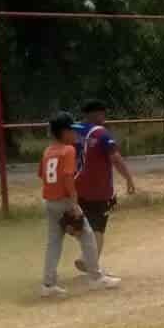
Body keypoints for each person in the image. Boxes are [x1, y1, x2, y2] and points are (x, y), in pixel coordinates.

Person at [38, 112, 120, 297]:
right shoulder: (68, 150)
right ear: (63, 132)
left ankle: (48, 285)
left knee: (53, 243)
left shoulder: (48, 151)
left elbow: (42, 176)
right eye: (71, 130)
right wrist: (74, 202)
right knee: (88, 237)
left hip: (50, 201)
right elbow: (68, 177)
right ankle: (96, 278)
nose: (75, 134)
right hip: (65, 201)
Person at [72, 100, 138, 275]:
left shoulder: (73, 130)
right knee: (99, 227)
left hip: (76, 185)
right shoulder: (101, 133)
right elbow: (115, 158)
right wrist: (129, 178)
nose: (104, 117)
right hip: (99, 187)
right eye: (102, 113)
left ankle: (86, 256)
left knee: (85, 223)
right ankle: (89, 262)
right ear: (94, 114)